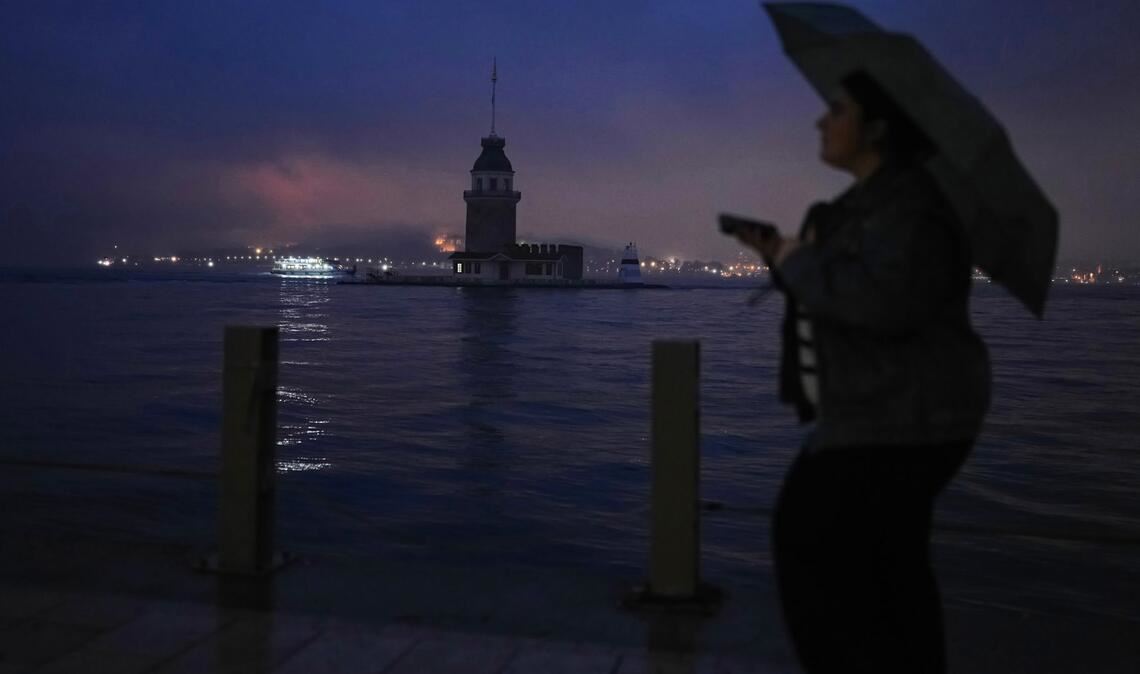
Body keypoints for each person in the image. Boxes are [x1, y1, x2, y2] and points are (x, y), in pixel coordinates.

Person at [729, 71, 991, 673]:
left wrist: (795, 260)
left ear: (877, 127)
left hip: (903, 415)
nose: (821, 121)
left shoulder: (911, 206)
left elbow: (878, 304)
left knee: (812, 542)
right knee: (890, 564)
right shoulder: (873, 203)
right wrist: (786, 253)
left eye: (837, 110)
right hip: (896, 408)